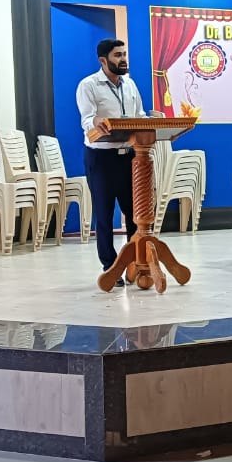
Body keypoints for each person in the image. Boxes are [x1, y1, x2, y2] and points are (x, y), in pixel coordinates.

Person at [76, 37, 162, 285]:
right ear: (103, 60)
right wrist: (97, 123)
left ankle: (136, 263)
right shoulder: (89, 85)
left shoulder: (130, 85)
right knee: (105, 215)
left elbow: (139, 116)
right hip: (101, 157)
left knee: (136, 213)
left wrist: (154, 121)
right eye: (117, 55)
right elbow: (87, 120)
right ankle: (111, 267)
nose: (123, 59)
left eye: (124, 54)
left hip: (131, 157)